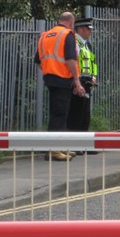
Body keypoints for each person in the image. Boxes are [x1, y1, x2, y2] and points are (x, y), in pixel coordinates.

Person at [35, 12, 85, 161]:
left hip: (50, 78)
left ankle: (60, 146)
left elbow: (38, 60)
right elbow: (70, 60)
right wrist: (77, 81)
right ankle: (54, 150)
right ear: (70, 22)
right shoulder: (67, 34)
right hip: (63, 79)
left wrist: (50, 71)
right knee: (60, 115)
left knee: (58, 113)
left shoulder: (45, 35)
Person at [67, 17, 99, 155]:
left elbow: (93, 63)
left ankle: (84, 144)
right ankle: (75, 145)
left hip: (87, 82)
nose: (91, 31)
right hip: (78, 82)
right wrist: (76, 81)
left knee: (85, 115)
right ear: (80, 29)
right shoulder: (75, 43)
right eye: (88, 29)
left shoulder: (87, 44)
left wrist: (94, 77)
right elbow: (73, 62)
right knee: (76, 114)